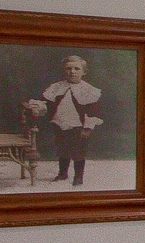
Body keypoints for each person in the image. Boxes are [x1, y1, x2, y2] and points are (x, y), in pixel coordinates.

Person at [35, 54, 107, 185]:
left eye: (76, 69)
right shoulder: (57, 87)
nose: (72, 72)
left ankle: (78, 177)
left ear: (84, 72)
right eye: (68, 69)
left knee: (78, 151)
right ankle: (63, 174)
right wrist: (39, 106)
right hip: (60, 123)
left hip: (78, 126)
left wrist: (87, 128)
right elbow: (46, 102)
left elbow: (93, 111)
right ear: (64, 70)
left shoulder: (89, 90)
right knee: (62, 149)